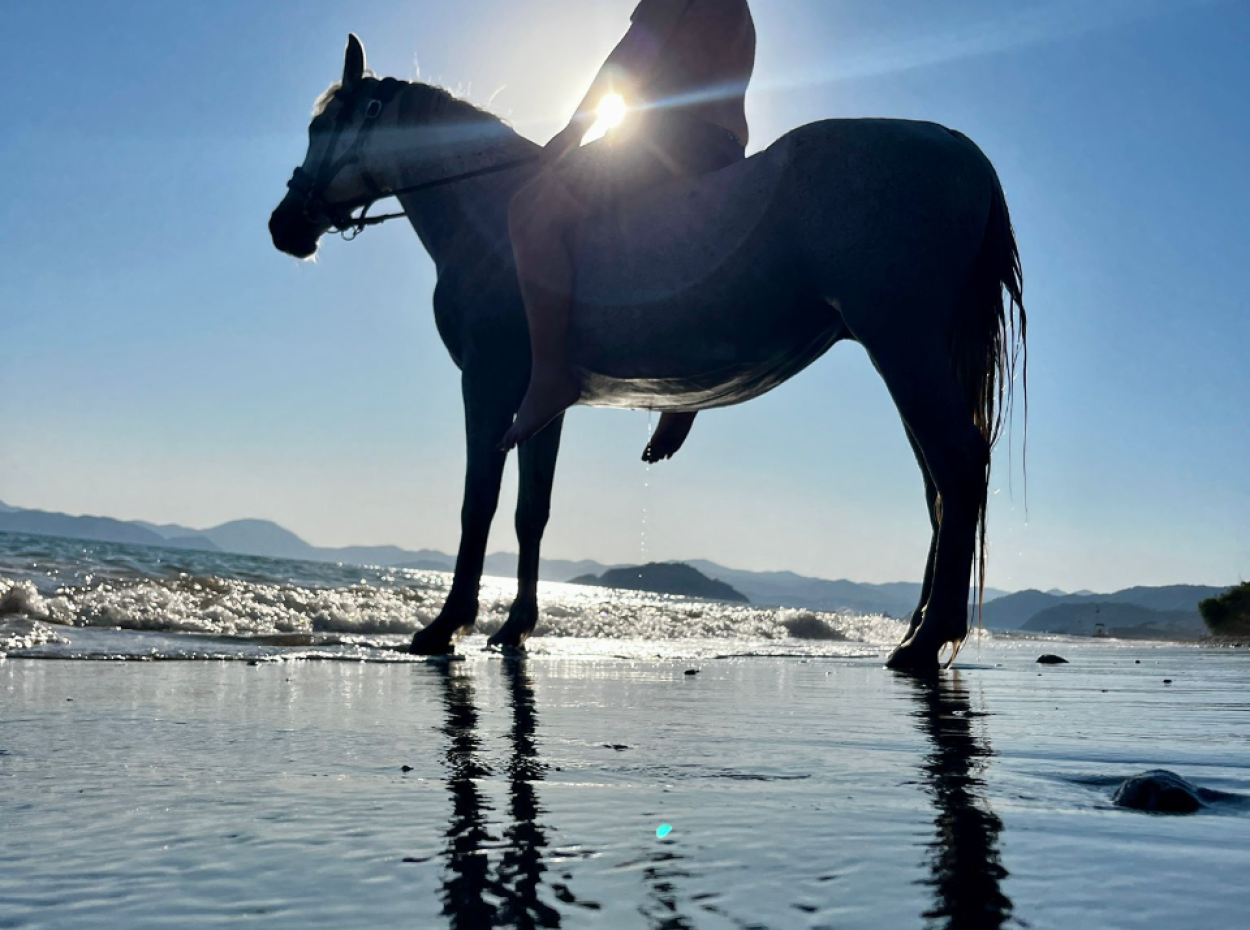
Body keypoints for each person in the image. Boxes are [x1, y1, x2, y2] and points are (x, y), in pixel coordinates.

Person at [500, 0, 756, 459]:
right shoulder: (740, 10)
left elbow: (631, 57)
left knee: (528, 211)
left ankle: (549, 375)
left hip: (665, 137)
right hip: (727, 146)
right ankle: (686, 392)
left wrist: (572, 133)